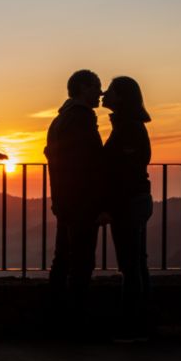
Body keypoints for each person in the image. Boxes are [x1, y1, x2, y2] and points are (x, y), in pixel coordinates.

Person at [44, 69, 106, 336]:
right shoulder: (81, 120)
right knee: (81, 261)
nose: (100, 94)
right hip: (82, 201)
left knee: (63, 259)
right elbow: (91, 164)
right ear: (83, 87)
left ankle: (56, 316)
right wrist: (101, 203)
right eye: (96, 87)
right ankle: (74, 321)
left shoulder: (60, 119)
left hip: (65, 200)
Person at [102, 76, 153, 342]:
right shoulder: (126, 126)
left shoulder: (129, 128)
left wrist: (109, 206)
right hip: (135, 201)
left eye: (109, 91)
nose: (103, 93)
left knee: (131, 266)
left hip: (128, 202)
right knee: (136, 264)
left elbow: (124, 172)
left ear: (121, 97)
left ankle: (133, 328)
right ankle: (140, 325)